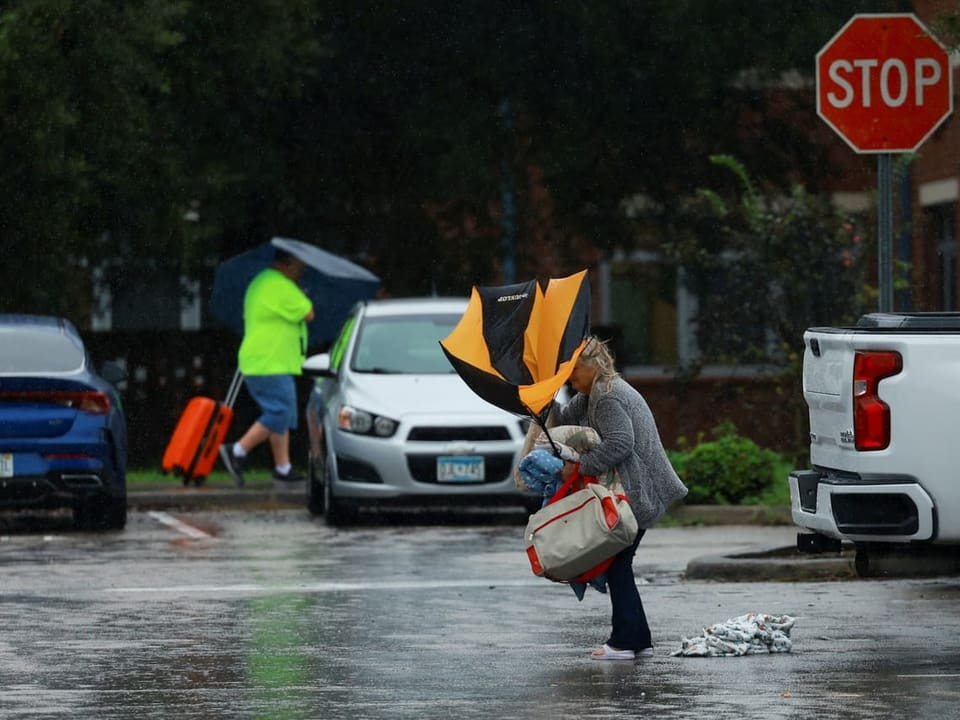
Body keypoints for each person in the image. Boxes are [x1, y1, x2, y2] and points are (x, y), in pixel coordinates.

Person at [552, 336, 688, 661]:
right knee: (618, 562)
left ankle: (628, 640)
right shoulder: (592, 395)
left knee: (616, 562)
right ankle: (635, 639)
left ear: (592, 366)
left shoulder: (608, 396)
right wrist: (540, 401)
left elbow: (620, 443)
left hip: (640, 489)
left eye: (573, 371)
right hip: (634, 488)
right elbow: (564, 419)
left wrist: (580, 468)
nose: (570, 378)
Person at [220, 249, 315, 489]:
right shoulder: (280, 285)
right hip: (269, 361)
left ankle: (283, 468)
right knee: (280, 412)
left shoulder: (262, 282)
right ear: (287, 264)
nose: (301, 272)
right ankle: (237, 451)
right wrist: (301, 294)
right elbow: (308, 313)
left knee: (282, 415)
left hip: (267, 360)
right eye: (299, 267)